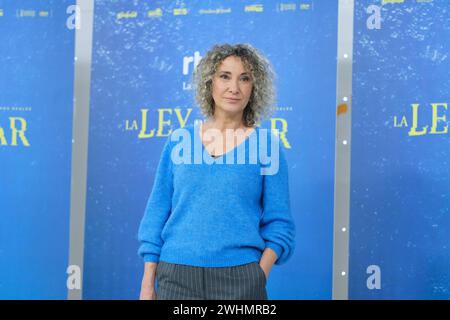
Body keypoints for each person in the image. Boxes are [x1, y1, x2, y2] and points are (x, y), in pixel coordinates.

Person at [138, 43, 295, 300]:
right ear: (209, 83)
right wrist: (147, 285)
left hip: (241, 278)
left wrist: (258, 275)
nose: (234, 88)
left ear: (254, 88)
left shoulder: (267, 146)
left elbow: (280, 224)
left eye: (244, 79)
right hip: (175, 277)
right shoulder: (179, 141)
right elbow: (156, 214)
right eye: (225, 76)